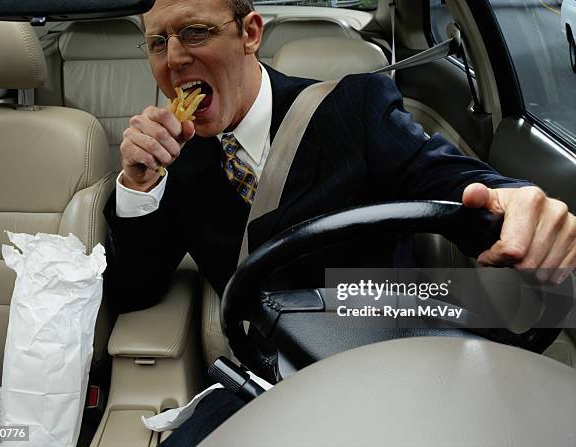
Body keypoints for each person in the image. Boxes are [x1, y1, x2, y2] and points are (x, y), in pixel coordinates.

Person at [103, 0, 576, 444]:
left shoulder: (353, 108)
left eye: (194, 32)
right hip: (270, 372)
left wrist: (516, 206)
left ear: (249, 34)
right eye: (158, 43)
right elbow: (136, 290)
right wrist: (138, 186)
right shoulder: (174, 160)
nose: (176, 59)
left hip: (391, 350)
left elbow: (453, 184)